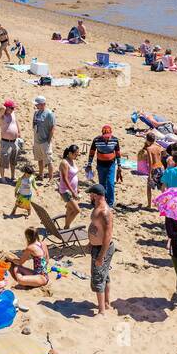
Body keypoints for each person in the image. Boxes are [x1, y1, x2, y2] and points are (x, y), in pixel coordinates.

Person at [87, 183, 115, 315]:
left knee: (98, 278)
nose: (90, 196)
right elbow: (96, 227)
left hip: (102, 249)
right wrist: (91, 242)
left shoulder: (105, 212)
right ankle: (106, 303)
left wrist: (101, 256)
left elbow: (108, 236)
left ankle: (102, 310)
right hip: (96, 247)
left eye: (91, 194)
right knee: (104, 276)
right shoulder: (97, 207)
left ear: (97, 195)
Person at [87, 124, 122, 207]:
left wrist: (119, 166)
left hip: (111, 165)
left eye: (108, 136)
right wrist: (89, 164)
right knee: (102, 184)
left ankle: (110, 203)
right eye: (105, 136)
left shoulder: (115, 140)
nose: (107, 138)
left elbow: (118, 153)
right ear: (102, 134)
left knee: (110, 183)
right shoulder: (96, 140)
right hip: (100, 165)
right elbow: (92, 152)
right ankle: (102, 200)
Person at [57, 145, 82, 227]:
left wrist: (77, 188)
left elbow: (74, 176)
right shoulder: (64, 163)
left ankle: (66, 226)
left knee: (70, 209)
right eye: (76, 154)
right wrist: (72, 192)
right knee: (76, 210)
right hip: (66, 190)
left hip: (72, 189)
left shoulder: (72, 160)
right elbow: (65, 179)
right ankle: (67, 226)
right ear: (70, 153)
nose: (77, 156)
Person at [31, 96, 55, 179]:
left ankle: (50, 178)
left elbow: (52, 128)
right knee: (39, 159)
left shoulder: (49, 114)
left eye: (37, 104)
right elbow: (34, 124)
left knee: (48, 161)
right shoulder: (36, 113)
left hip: (45, 141)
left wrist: (48, 140)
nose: (36, 106)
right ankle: (41, 175)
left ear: (43, 104)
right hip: (37, 140)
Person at [0, 99, 20, 182]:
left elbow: (16, 122)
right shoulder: (1, 116)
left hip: (14, 141)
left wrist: (19, 131)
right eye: (12, 108)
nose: (13, 109)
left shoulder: (12, 113)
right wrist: (5, 107)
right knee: (3, 161)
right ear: (7, 108)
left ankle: (13, 176)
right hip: (6, 142)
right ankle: (2, 178)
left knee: (13, 161)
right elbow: (1, 110)